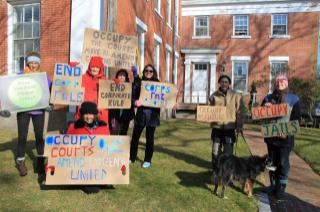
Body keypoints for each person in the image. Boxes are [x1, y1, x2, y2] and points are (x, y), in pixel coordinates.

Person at [0, 52, 51, 177]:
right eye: (31, 62)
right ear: (27, 63)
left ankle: (40, 161)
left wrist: (50, 104)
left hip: (39, 111)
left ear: (39, 63)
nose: (33, 65)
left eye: (35, 62)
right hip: (23, 111)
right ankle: (21, 162)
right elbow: (8, 90)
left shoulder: (44, 78)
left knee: (39, 136)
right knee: (22, 136)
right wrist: (4, 107)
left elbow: (51, 92)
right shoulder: (19, 76)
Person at [261, 74, 300, 200]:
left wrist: (287, 131)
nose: (280, 83)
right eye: (277, 82)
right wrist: (264, 107)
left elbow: (296, 119)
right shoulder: (268, 97)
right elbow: (259, 115)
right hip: (271, 137)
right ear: (275, 84)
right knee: (272, 162)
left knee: (283, 162)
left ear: (287, 83)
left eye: (282, 81)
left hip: (285, 138)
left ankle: (281, 187)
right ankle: (273, 185)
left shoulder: (294, 99)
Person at [67, 101, 110, 193]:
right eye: (86, 114)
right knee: (89, 187)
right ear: (82, 115)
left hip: (97, 162)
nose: (88, 116)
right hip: (80, 163)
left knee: (95, 187)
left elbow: (108, 147)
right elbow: (66, 147)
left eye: (91, 114)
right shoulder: (73, 127)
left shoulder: (104, 127)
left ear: (95, 115)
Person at [208, 74, 244, 171]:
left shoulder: (236, 95)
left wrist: (239, 126)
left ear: (229, 84)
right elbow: (207, 109)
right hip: (217, 127)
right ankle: (216, 170)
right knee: (215, 151)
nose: (224, 83)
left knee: (228, 152)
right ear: (219, 83)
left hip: (230, 128)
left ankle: (227, 171)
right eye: (222, 82)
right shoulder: (213, 96)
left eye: (226, 82)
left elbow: (240, 112)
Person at [129, 64, 160, 168]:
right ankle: (132, 157)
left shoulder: (158, 84)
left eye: (151, 71)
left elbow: (165, 98)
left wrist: (173, 104)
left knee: (149, 139)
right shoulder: (139, 83)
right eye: (146, 71)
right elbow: (133, 95)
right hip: (141, 115)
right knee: (135, 137)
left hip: (152, 116)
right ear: (144, 72)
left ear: (154, 72)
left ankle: (147, 160)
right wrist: (135, 102)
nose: (148, 73)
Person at [75, 56, 108, 124]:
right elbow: (71, 83)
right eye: (93, 66)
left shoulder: (105, 81)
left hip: (99, 114)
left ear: (100, 68)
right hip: (84, 114)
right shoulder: (82, 78)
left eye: (97, 67)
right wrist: (72, 69)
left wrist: (116, 83)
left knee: (99, 133)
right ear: (90, 67)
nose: (95, 69)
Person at [108, 68, 135, 135]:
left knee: (123, 133)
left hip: (126, 115)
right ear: (117, 76)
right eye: (120, 75)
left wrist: (135, 75)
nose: (121, 77)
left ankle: (121, 145)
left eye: (123, 75)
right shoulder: (112, 85)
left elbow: (137, 86)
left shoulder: (130, 87)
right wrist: (113, 83)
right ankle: (113, 145)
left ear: (126, 77)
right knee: (114, 131)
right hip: (114, 115)